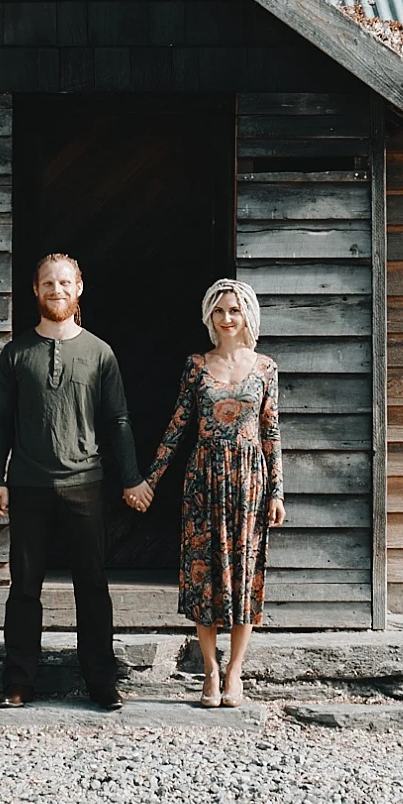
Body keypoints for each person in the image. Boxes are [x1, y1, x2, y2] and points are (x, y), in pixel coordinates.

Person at [0, 252, 141, 710]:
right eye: (49, 283)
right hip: (29, 483)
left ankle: (100, 682)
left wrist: (130, 477)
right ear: (36, 291)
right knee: (25, 587)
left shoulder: (99, 352)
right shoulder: (16, 353)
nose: (57, 290)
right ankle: (18, 681)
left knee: (91, 585)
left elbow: (117, 420)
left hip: (84, 483)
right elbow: (2, 420)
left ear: (79, 289)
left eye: (65, 283)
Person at [124, 278, 285, 707]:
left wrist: (277, 493)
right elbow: (178, 426)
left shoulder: (266, 368)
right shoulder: (197, 365)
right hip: (204, 479)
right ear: (209, 317)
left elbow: (271, 432)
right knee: (205, 574)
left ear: (247, 313)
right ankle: (210, 671)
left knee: (244, 574)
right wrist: (151, 479)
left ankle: (235, 672)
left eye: (234, 309)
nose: (227, 318)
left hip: (250, 479)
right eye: (219, 311)